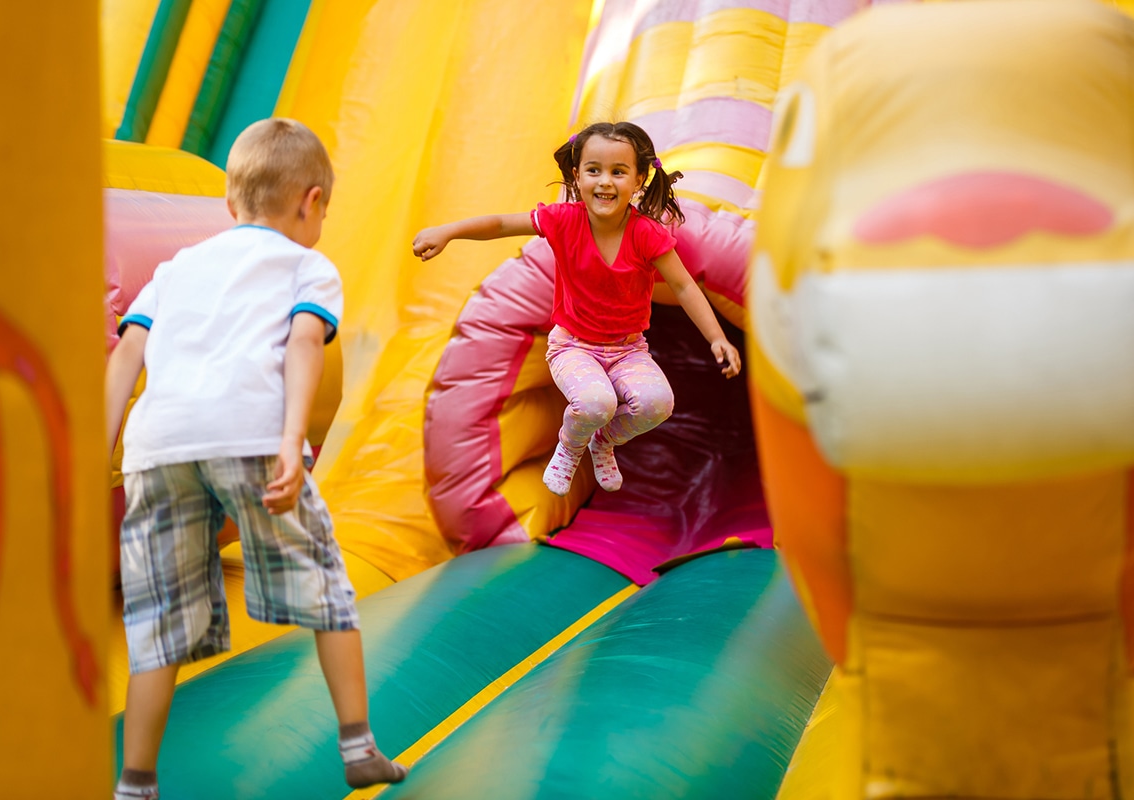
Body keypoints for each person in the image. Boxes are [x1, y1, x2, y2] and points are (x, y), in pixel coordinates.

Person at [104, 118, 406, 800]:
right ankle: (359, 747)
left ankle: (135, 782)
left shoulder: (176, 268)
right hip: (249, 436)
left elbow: (125, 356)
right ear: (313, 202)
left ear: (230, 203)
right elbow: (303, 344)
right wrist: (290, 442)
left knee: (156, 624)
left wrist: (98, 455)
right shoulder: (308, 266)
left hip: (159, 449)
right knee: (329, 595)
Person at [413, 121, 741, 496]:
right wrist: (448, 232)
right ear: (577, 175)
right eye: (594, 170)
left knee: (657, 404)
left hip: (628, 348)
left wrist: (717, 338)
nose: (605, 181)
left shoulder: (646, 233)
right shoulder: (563, 220)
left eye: (618, 172)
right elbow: (503, 223)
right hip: (573, 345)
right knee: (595, 402)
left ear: (639, 180)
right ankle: (570, 448)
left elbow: (684, 284)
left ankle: (603, 442)